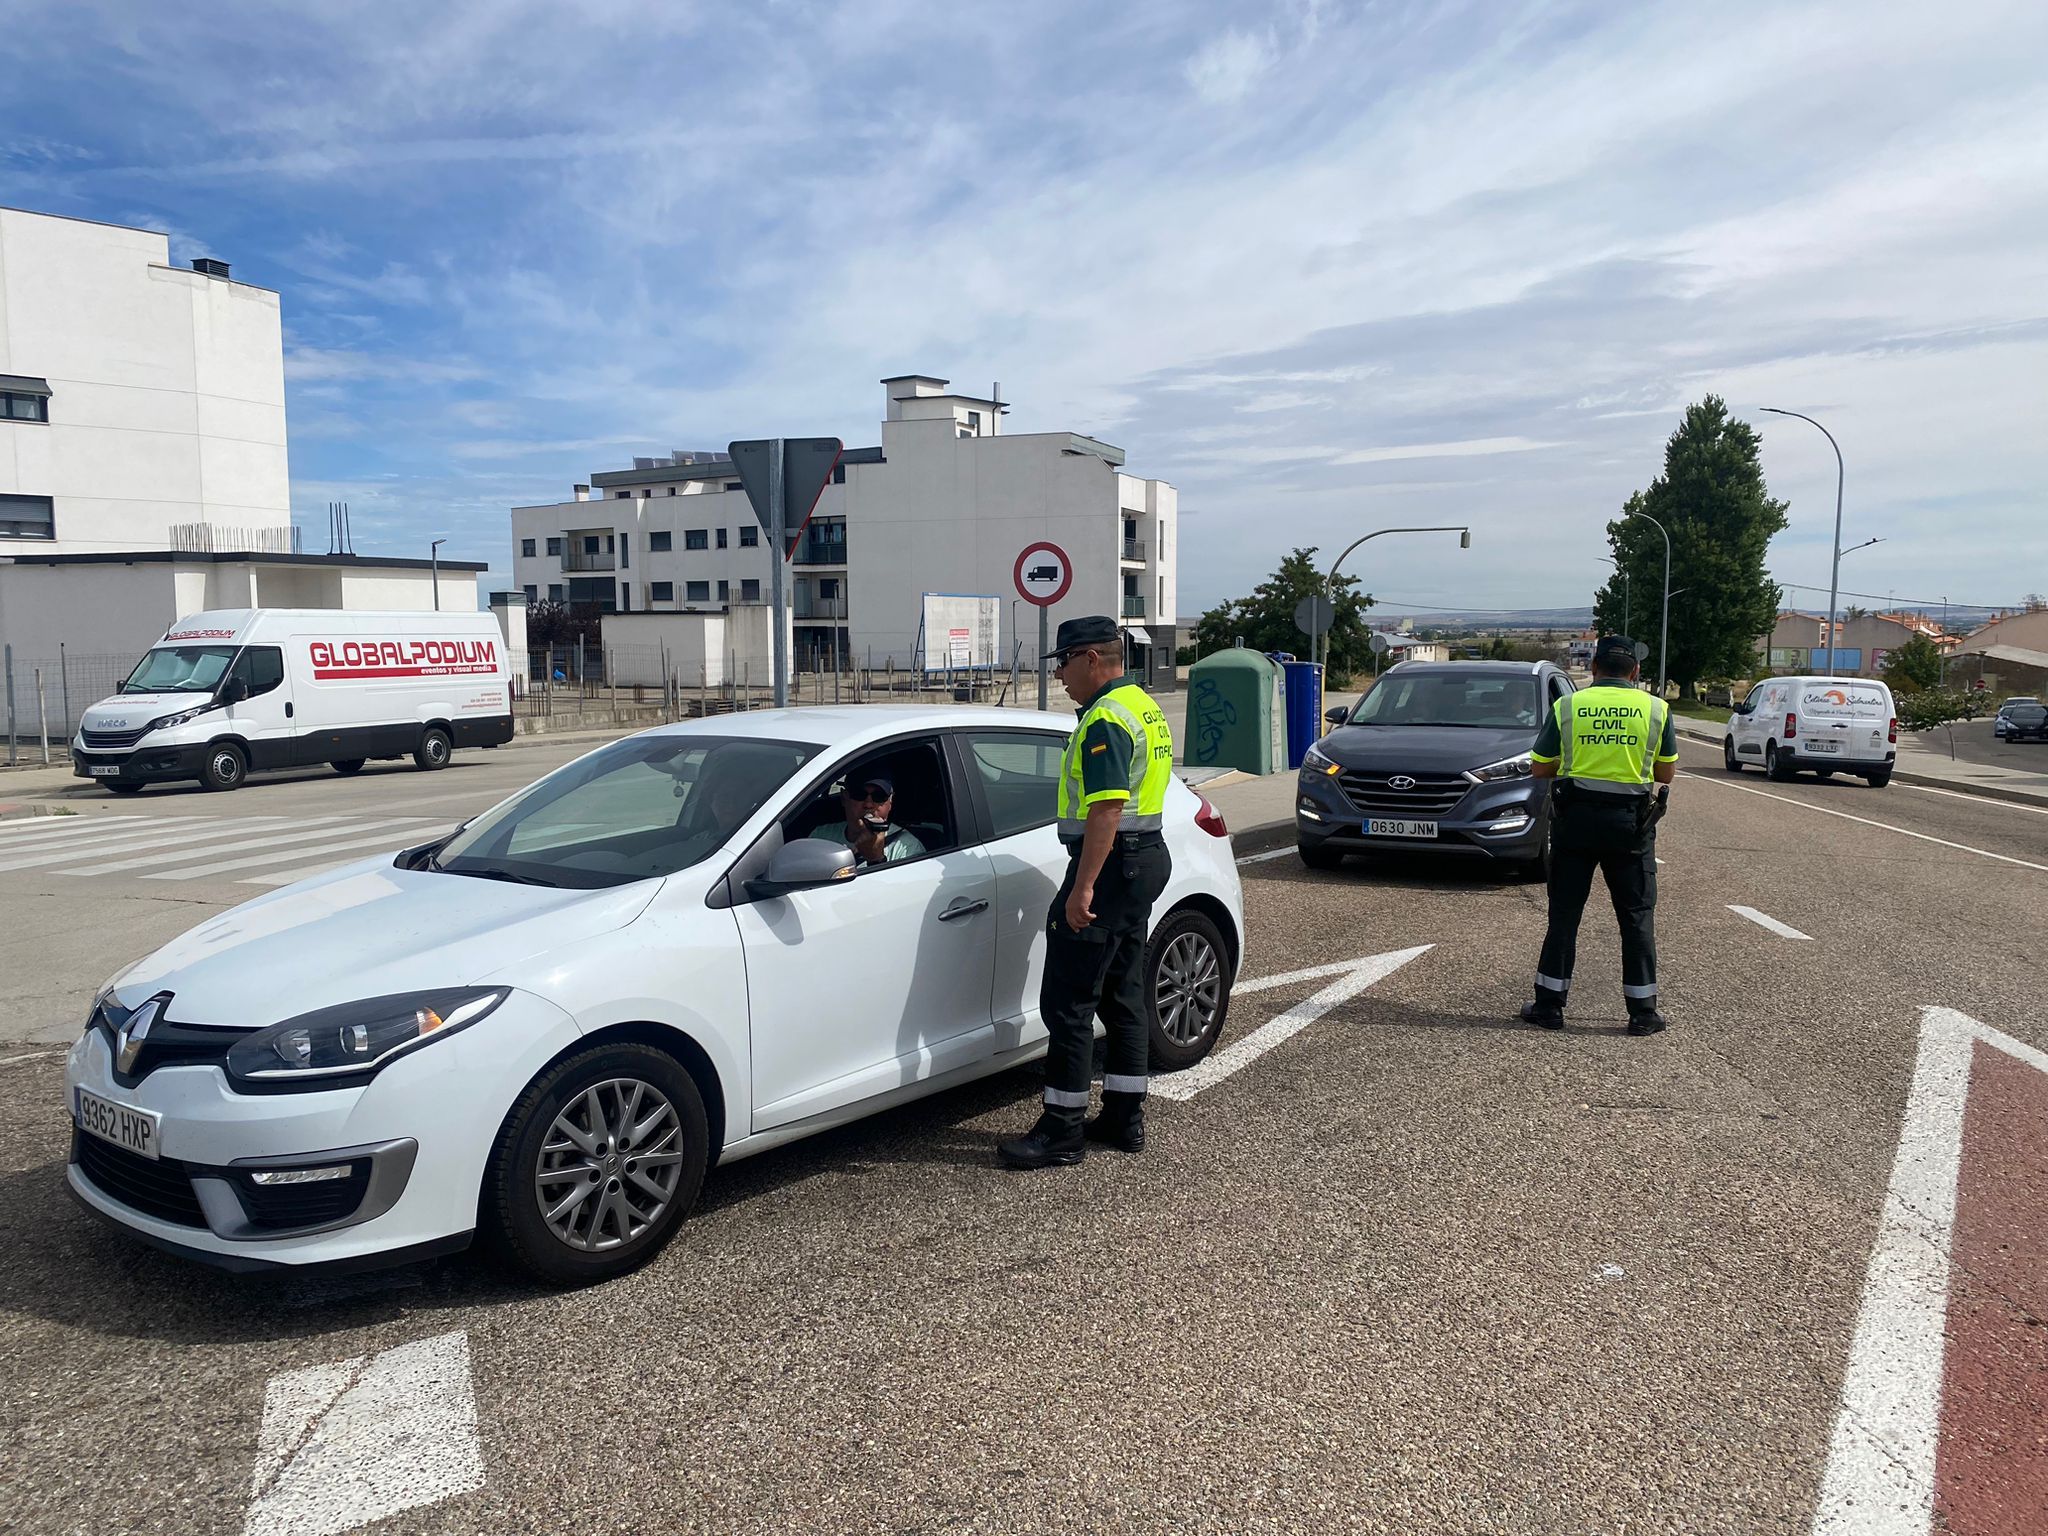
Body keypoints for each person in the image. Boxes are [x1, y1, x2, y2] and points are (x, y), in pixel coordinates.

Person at [998, 615, 1175, 1169]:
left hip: (1112, 867)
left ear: (1092, 658)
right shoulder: (1144, 707)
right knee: (1122, 994)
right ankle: (1125, 1116)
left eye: (1063, 663)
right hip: (1143, 861)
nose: (1060, 676)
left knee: (1069, 1004)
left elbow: (1106, 807)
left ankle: (1062, 1130)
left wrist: (1083, 887)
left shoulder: (1104, 719)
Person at [1521, 635, 1678, 1035]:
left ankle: (1549, 1006)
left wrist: (1577, 760)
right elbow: (1664, 774)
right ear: (1636, 672)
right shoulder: (1656, 709)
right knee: (1636, 916)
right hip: (1630, 827)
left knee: (1565, 915)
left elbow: (1539, 768)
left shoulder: (1569, 705)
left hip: (1575, 822)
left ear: (1593, 668)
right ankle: (1642, 1012)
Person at [808, 773, 927, 867]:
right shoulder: (821, 836)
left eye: (879, 796)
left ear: (890, 802)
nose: (869, 804)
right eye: (859, 794)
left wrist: (876, 859)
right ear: (844, 798)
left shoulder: (907, 847)